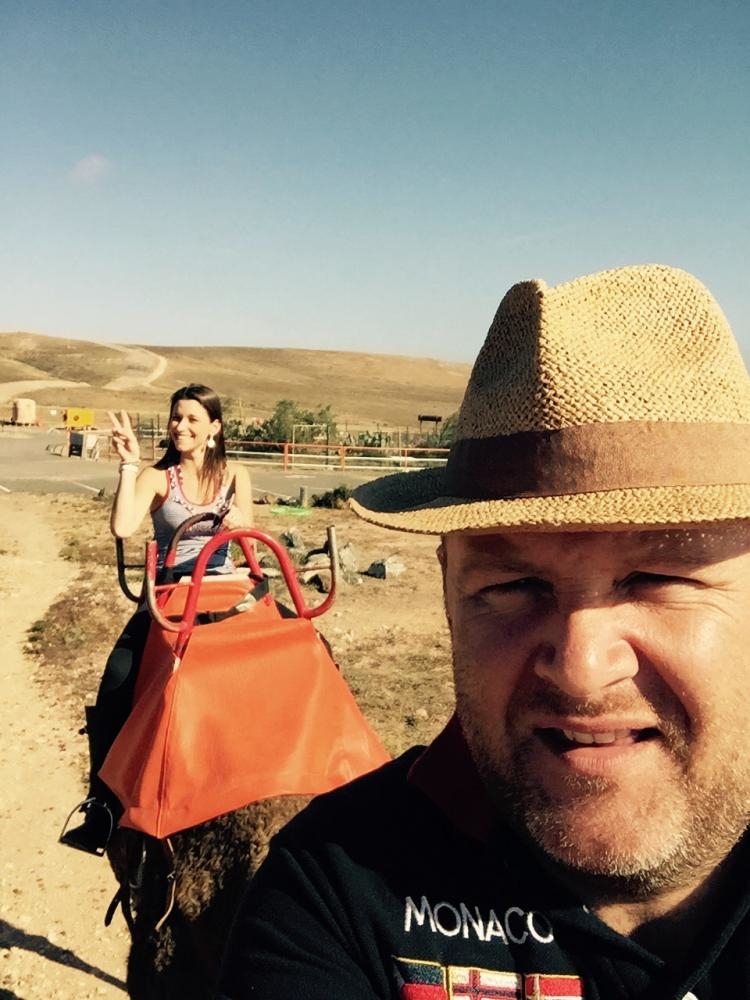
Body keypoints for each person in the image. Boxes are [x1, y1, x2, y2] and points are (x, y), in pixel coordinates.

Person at [217, 265, 750, 999]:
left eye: (658, 578)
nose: (581, 666)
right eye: (512, 586)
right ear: (449, 594)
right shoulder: (338, 895)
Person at [61, 383, 253, 854]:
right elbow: (123, 526)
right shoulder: (158, 477)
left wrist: (239, 526)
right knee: (117, 680)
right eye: (176, 417)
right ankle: (103, 806)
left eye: (192, 419)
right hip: (170, 595)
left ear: (214, 427)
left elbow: (249, 534)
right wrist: (129, 465)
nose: (180, 426)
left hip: (223, 587)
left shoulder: (235, 474)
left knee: (296, 648)